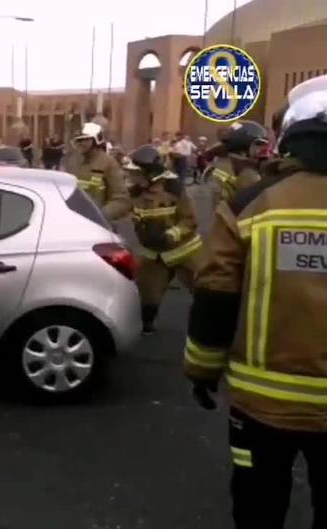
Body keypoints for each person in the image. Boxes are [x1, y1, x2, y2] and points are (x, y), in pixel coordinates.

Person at [183, 74, 327, 529]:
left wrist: (202, 369)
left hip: (262, 405)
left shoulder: (253, 203)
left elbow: (215, 291)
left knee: (258, 506)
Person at [123, 145, 203, 335]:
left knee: (206, 289)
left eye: (137, 174)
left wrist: (171, 234)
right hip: (154, 254)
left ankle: (208, 330)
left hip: (185, 251)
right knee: (147, 295)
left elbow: (189, 219)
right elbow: (120, 208)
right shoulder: (134, 192)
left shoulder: (173, 188)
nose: (133, 178)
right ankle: (147, 325)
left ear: (151, 173)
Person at [63, 122, 132, 223]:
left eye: (85, 140)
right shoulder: (72, 161)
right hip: (72, 220)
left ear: (96, 140)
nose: (81, 143)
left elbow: (121, 200)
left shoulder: (108, 163)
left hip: (96, 224)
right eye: (79, 140)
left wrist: (101, 215)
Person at [203, 120, 269, 209]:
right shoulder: (241, 172)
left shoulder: (227, 165)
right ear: (243, 143)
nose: (260, 150)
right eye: (258, 144)